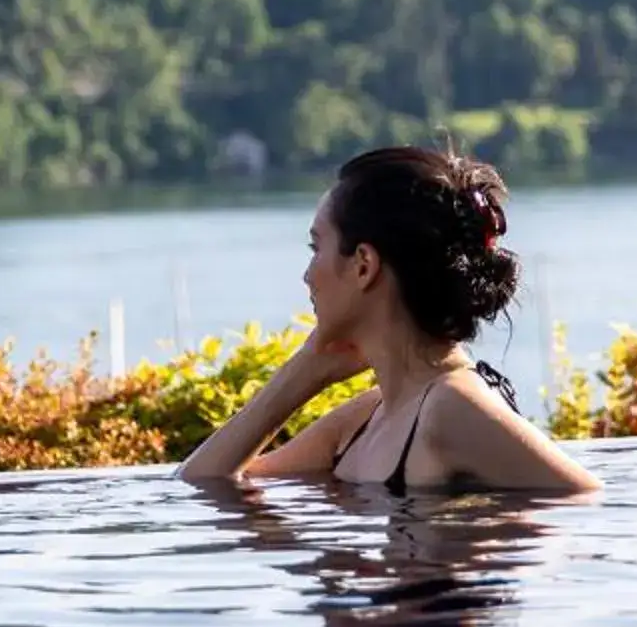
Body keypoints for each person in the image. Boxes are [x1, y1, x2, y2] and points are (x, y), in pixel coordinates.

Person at [178, 146, 597, 494]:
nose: (307, 275)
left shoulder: (452, 408)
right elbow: (205, 482)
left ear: (363, 265)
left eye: (315, 247)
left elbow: (585, 502)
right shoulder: (366, 418)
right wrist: (302, 374)